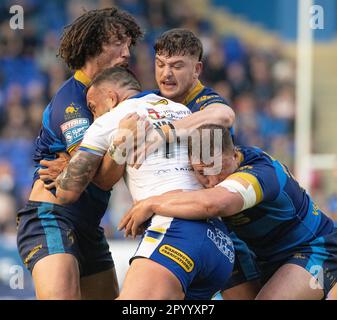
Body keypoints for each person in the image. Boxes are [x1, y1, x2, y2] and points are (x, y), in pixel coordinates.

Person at [55, 66, 235, 300]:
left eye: (93, 107)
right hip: (219, 247)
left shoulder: (112, 119)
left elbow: (66, 192)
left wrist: (67, 170)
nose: (93, 116)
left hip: (175, 232)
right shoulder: (183, 111)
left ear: (111, 98)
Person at [119, 124, 337, 300]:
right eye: (202, 172)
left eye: (217, 168)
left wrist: (151, 204)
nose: (212, 180)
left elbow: (214, 204)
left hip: (314, 248)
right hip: (256, 254)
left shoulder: (262, 172)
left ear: (234, 155)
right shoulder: (204, 158)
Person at [16, 7, 143, 300]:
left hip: (88, 226)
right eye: (117, 43)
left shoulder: (121, 97)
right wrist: (123, 142)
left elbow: (95, 170)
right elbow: (98, 179)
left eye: (129, 45)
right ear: (92, 46)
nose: (126, 52)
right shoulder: (72, 101)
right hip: (52, 217)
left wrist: (79, 165)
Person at [151, 28, 260, 299]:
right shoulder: (153, 103)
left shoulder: (205, 102)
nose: (166, 74)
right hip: (176, 221)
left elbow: (224, 114)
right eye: (161, 64)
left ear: (197, 68)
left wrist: (166, 131)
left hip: (221, 224)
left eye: (177, 66)